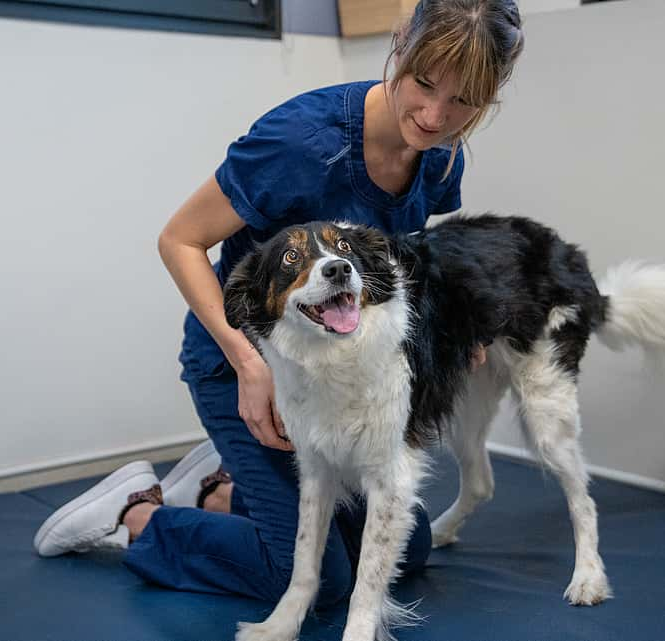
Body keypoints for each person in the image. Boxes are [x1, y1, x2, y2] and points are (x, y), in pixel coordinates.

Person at [33, 0, 524, 608]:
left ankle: (221, 490)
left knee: (409, 543)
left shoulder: (442, 151)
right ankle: (133, 516)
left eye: (462, 102)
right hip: (244, 362)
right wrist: (248, 364)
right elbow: (179, 241)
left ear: (491, 94)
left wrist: (458, 325)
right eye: (423, 84)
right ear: (401, 46)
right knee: (316, 579)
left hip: (336, 377)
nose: (433, 114)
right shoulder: (301, 141)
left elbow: (405, 258)